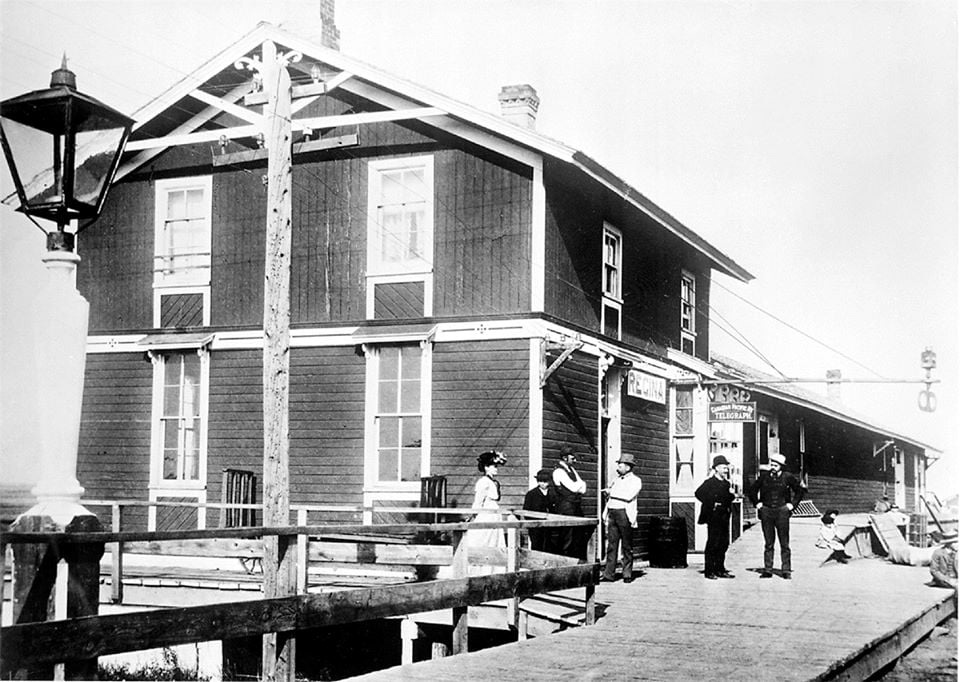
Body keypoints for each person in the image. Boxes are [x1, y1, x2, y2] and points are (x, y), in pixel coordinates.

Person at [746, 452, 804, 579]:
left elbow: (800, 491)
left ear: (781, 466)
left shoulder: (788, 477)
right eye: (771, 464)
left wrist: (792, 505)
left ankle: (786, 570)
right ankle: (768, 569)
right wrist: (757, 503)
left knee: (784, 543)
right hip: (766, 511)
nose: (773, 467)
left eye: (776, 465)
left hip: (782, 512)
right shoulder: (764, 477)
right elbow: (752, 490)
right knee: (769, 542)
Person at [601, 453, 642, 582]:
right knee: (611, 545)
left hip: (625, 514)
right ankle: (609, 574)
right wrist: (605, 512)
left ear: (628, 467)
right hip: (613, 512)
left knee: (626, 545)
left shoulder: (635, 481)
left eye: (620, 465)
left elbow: (628, 496)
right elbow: (611, 499)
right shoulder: (617, 480)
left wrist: (611, 492)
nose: (618, 468)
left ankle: (627, 574)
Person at [695, 455, 737, 579]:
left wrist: (732, 495)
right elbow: (698, 493)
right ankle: (709, 570)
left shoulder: (726, 483)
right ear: (717, 468)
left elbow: (727, 499)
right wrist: (712, 503)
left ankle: (720, 569)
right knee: (713, 542)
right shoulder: (709, 482)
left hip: (724, 515)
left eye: (726, 468)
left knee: (724, 543)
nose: (726, 470)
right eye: (724, 468)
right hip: (713, 515)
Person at [467, 450, 508, 551]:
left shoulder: (493, 482)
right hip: (486, 515)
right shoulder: (483, 482)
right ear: (486, 467)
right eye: (494, 466)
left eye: (496, 466)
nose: (496, 469)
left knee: (494, 541)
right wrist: (473, 515)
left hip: (494, 515)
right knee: (481, 540)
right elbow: (478, 502)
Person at [553, 444, 588, 559]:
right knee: (567, 535)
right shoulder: (559, 471)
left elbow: (583, 488)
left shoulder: (571, 469)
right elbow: (574, 487)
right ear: (565, 458)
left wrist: (579, 485)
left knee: (578, 534)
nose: (575, 460)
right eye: (572, 458)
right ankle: (565, 561)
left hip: (575, 506)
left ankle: (576, 560)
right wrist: (579, 485)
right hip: (565, 507)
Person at [523, 468, 558, 552]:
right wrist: (532, 524)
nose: (543, 483)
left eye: (545, 481)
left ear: (549, 481)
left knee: (549, 547)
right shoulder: (531, 494)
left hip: (549, 527)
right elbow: (526, 511)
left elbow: (555, 509)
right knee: (537, 546)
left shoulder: (553, 494)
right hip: (535, 527)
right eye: (540, 481)